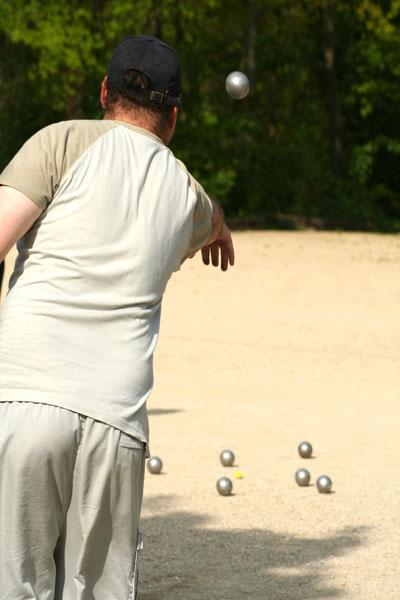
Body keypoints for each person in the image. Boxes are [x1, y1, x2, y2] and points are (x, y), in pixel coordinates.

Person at [0, 35, 234, 599]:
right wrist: (222, 230)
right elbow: (215, 217)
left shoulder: (61, 142)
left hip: (26, 396)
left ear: (104, 91)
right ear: (173, 115)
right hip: (115, 421)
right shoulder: (187, 194)